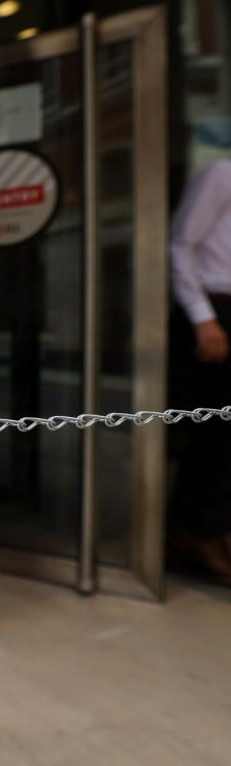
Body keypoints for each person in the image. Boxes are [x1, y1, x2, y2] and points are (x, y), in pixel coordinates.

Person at [169, 158, 231, 585]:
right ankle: (198, 533)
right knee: (217, 430)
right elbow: (181, 245)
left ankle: (207, 528)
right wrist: (202, 318)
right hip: (218, 310)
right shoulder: (222, 174)